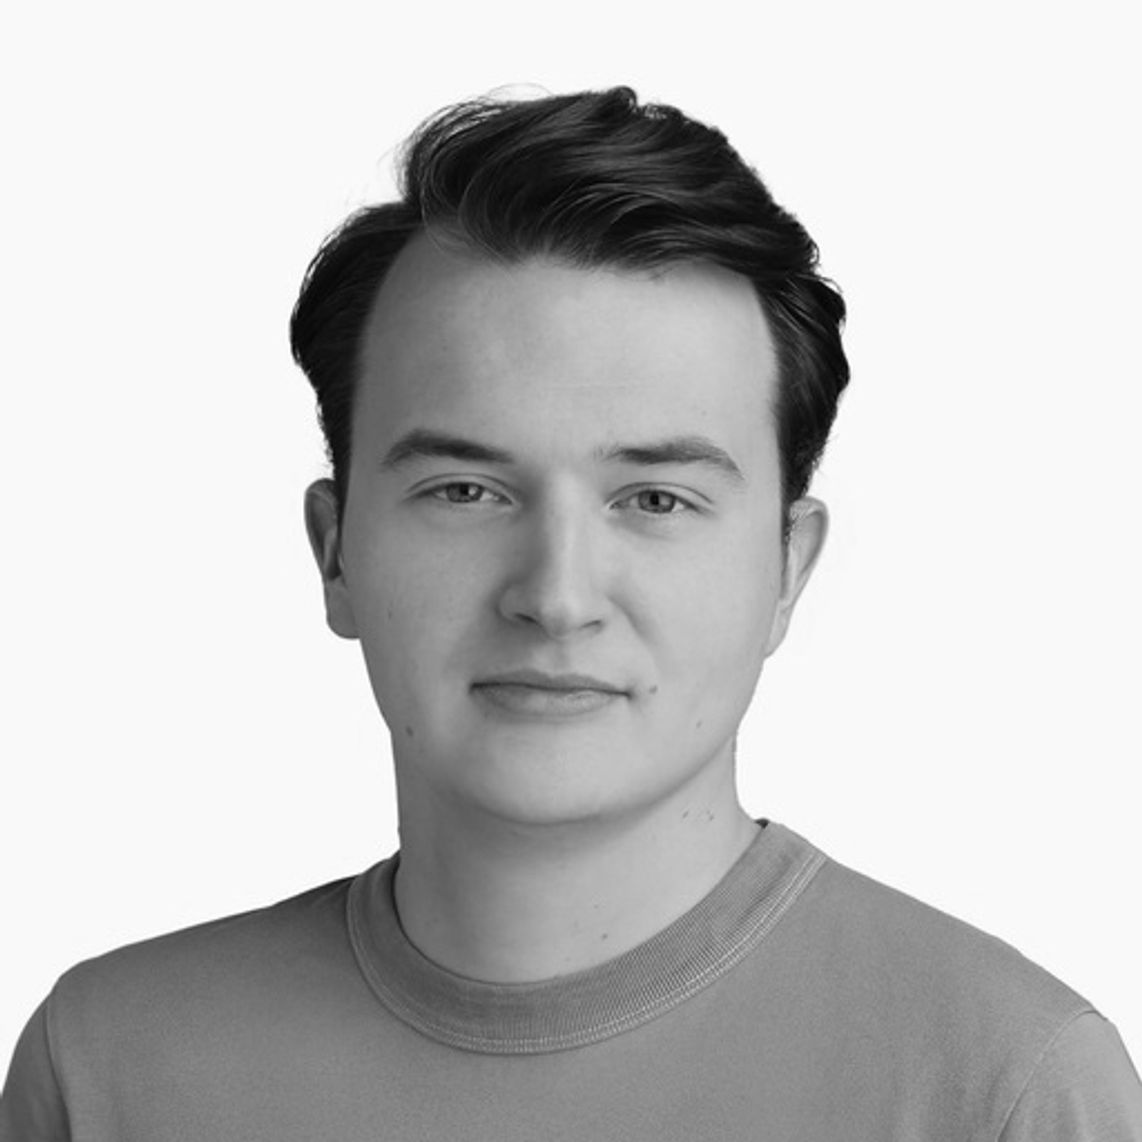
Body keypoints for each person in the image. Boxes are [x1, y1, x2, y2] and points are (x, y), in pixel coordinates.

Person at [2, 85, 1139, 1142]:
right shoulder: (107, 1069)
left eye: (655, 499)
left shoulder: (1009, 1089)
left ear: (787, 567)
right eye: (464, 491)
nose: (555, 596)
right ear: (334, 550)